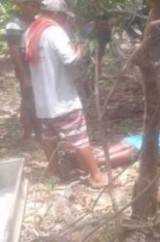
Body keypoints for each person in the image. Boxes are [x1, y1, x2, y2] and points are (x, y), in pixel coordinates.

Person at [25, 0, 110, 187]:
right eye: (63, 16)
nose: (64, 20)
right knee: (79, 137)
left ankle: (55, 175)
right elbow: (70, 60)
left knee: (48, 139)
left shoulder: (30, 32)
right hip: (62, 99)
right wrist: (78, 49)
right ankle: (97, 177)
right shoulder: (54, 31)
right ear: (56, 14)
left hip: (43, 103)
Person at [5, 0, 41, 141]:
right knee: (28, 100)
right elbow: (14, 51)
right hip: (25, 67)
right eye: (31, 5)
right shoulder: (14, 23)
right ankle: (28, 133)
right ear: (22, 5)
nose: (34, 8)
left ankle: (38, 131)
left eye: (36, 5)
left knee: (35, 99)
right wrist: (24, 76)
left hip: (35, 66)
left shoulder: (34, 20)